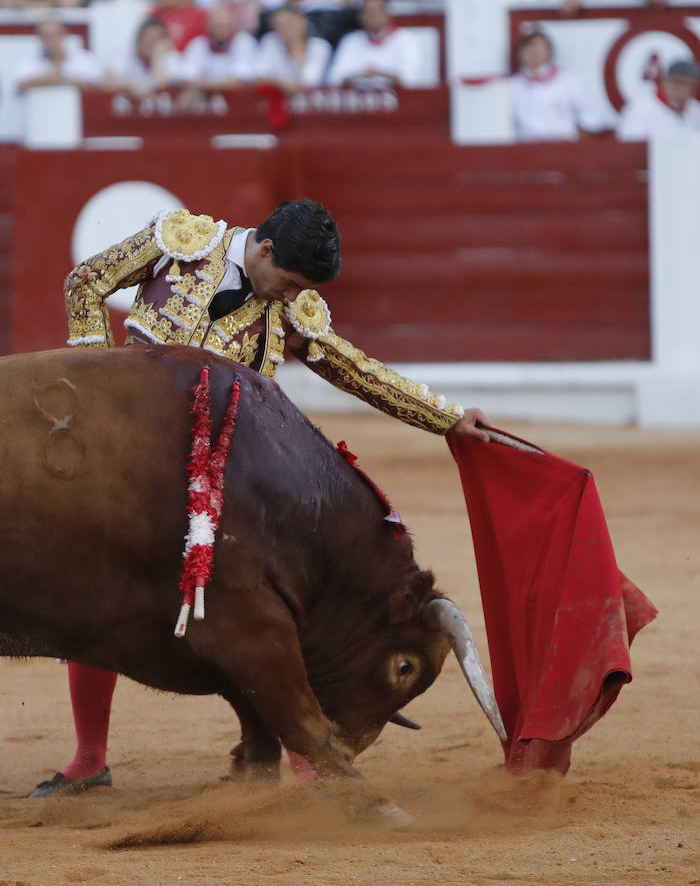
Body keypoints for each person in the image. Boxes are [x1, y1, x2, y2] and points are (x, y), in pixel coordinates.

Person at [35, 198, 495, 798]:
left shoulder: (292, 309)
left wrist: (447, 418)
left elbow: (358, 371)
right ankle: (89, 758)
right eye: (289, 282)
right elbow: (86, 283)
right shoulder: (179, 242)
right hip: (135, 469)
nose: (288, 296)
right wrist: (97, 383)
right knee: (96, 599)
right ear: (265, 249)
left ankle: (295, 756)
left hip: (228, 480)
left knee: (263, 608)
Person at [509, 29, 606, 140]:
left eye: (539, 48)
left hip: (564, 148)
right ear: (520, 53)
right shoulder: (512, 86)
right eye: (529, 48)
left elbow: (592, 114)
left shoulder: (568, 80)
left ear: (549, 51)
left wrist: (578, 137)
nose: (534, 52)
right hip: (525, 150)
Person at [326, 0, 417, 88]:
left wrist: (379, 74)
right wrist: (361, 75)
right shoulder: (350, 40)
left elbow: (409, 79)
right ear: (360, 16)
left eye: (376, 11)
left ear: (388, 13)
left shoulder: (406, 39)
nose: (372, 16)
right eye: (366, 12)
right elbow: (334, 79)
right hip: (358, 98)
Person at [616, 58, 700, 140]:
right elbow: (631, 150)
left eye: (690, 84)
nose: (684, 89)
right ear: (665, 82)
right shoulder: (640, 110)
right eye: (678, 82)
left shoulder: (698, 111)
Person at [173, 4, 258, 91]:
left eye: (226, 26)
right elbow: (185, 76)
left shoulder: (244, 41)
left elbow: (239, 81)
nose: (222, 31)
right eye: (217, 26)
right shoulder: (199, 43)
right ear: (207, 26)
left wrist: (200, 85)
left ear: (234, 26)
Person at [14, 16, 105, 91]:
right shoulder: (29, 61)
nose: (50, 39)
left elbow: (97, 86)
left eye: (54, 34)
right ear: (39, 37)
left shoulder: (84, 58)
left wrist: (63, 80)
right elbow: (20, 86)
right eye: (45, 35)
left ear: (64, 34)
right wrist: (50, 79)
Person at [254, 3, 332, 90]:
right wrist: (281, 83)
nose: (284, 29)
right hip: (277, 98)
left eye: (289, 23)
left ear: (301, 20)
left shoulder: (320, 46)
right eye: (278, 25)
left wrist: (295, 49)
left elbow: (310, 82)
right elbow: (258, 77)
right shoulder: (270, 41)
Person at [108, 15, 176, 95]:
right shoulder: (124, 55)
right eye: (148, 36)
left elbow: (163, 85)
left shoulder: (170, 58)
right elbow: (107, 82)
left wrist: (157, 58)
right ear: (139, 38)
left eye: (157, 38)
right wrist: (128, 84)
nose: (151, 42)